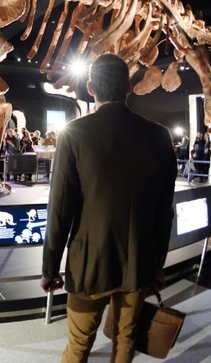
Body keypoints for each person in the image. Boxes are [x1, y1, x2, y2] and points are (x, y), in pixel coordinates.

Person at [41, 54, 177, 363]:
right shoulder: (159, 135)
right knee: (126, 341)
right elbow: (164, 212)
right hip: (139, 262)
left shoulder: (74, 134)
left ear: (90, 88)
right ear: (129, 87)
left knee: (78, 346)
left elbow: (59, 210)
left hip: (89, 266)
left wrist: (50, 267)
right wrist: (157, 263)